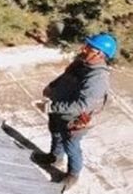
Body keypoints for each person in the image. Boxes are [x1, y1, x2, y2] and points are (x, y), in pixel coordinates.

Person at [33, 33, 117, 182]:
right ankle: (55, 157)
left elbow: (82, 105)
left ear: (99, 53)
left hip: (73, 120)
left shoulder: (97, 78)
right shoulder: (81, 62)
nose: (84, 49)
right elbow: (65, 76)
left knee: (71, 147)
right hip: (59, 111)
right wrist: (52, 86)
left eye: (89, 47)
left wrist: (51, 107)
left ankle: (72, 175)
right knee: (56, 134)